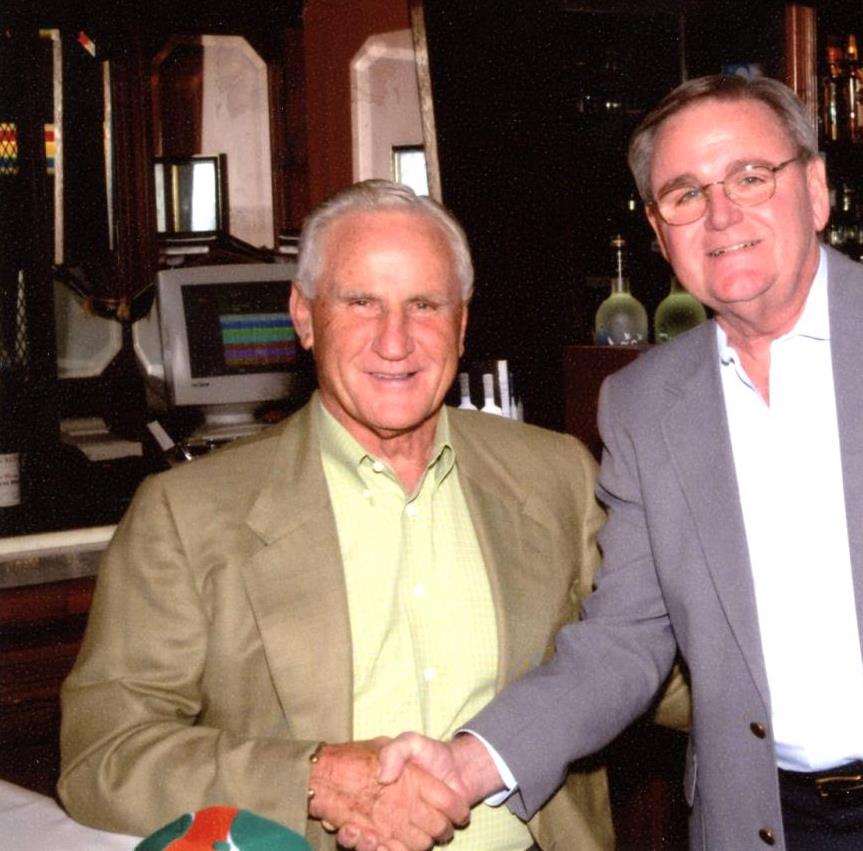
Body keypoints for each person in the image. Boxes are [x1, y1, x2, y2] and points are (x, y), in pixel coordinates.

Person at [367, 74, 863, 851]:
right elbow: (623, 640)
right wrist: (469, 761)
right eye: (684, 193)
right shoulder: (643, 405)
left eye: (749, 176)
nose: (720, 214)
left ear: (815, 190)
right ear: (658, 231)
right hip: (768, 823)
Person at [59, 180, 616, 851]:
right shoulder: (187, 513)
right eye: (360, 302)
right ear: (303, 316)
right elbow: (104, 754)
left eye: (424, 305)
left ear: (462, 323)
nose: (394, 341)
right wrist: (314, 777)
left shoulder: (556, 475)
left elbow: (660, 658)